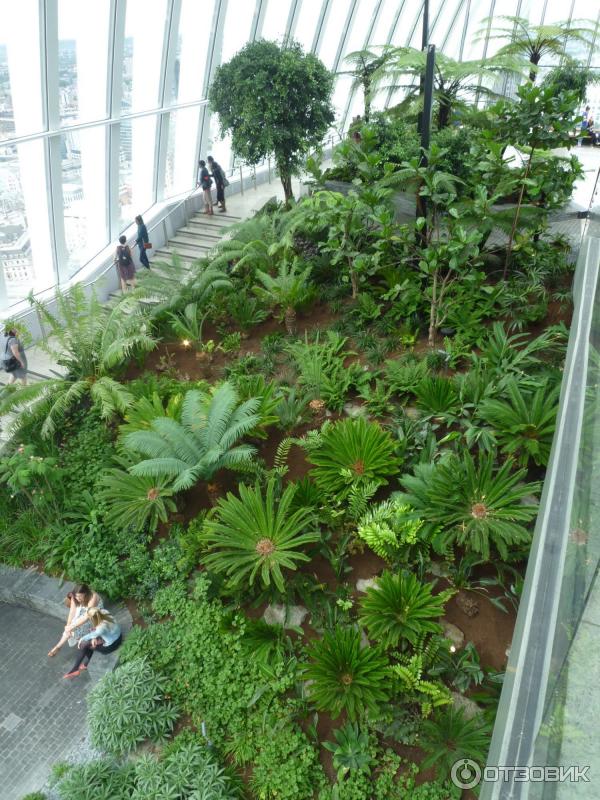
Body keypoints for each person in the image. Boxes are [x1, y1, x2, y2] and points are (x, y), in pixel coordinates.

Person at [63, 608, 122, 679]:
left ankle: (76, 668)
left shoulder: (101, 628)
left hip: (112, 645)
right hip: (117, 636)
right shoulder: (104, 612)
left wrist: (81, 640)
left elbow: (88, 636)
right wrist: (94, 636)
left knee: (84, 644)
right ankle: (83, 665)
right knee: (88, 642)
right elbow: (96, 630)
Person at [47, 583, 102, 657]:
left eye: (80, 596)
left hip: (95, 614)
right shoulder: (74, 597)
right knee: (71, 626)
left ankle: (81, 640)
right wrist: (68, 625)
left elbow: (86, 617)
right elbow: (72, 611)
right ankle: (58, 646)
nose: (77, 598)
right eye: (76, 596)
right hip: (83, 611)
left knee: (77, 628)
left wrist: (72, 626)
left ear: (85, 594)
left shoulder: (93, 597)